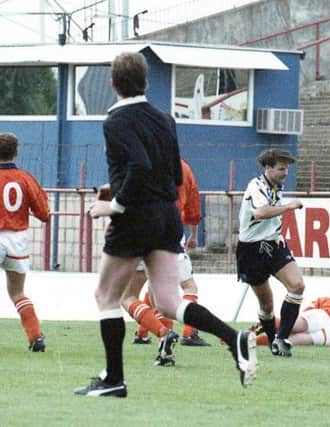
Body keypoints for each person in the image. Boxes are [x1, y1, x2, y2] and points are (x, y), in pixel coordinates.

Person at [74, 52, 256, 398]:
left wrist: (114, 205)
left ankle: (114, 379)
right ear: (146, 81)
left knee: (106, 296)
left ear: (113, 83)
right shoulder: (164, 118)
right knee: (170, 301)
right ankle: (235, 339)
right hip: (166, 214)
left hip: (135, 217)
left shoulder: (114, 121)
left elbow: (138, 166)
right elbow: (174, 173)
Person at [130, 159, 211, 352]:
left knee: (138, 291)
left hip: (137, 233)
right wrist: (193, 232)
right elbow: (192, 202)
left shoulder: (138, 163)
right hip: (168, 233)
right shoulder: (182, 167)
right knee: (187, 286)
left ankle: (144, 333)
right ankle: (186, 332)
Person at [236, 148, 305, 357]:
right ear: (268, 168)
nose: (285, 173)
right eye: (281, 169)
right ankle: (273, 341)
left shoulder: (276, 187)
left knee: (297, 286)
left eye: (287, 169)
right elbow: (260, 212)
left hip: (273, 244)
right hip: (251, 249)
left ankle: (282, 338)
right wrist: (289, 207)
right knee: (266, 305)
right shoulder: (255, 186)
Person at [0, 132, 50, 352]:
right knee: (18, 293)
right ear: (16, 151)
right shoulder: (26, 178)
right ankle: (35, 336)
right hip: (17, 240)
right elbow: (44, 213)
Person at [254, 283, 330, 347]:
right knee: (296, 340)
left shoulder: (326, 299)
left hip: (322, 315)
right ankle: (256, 342)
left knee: (292, 325)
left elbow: (308, 311)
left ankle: (263, 325)